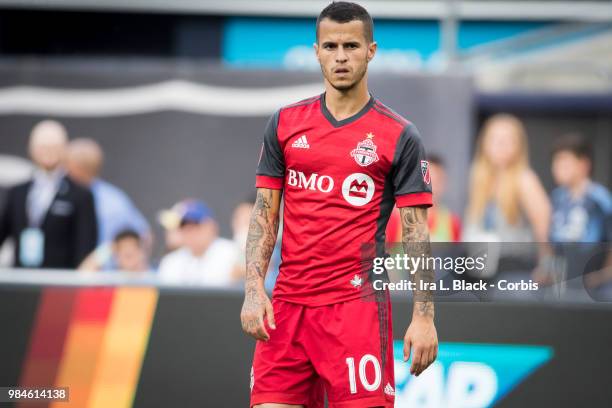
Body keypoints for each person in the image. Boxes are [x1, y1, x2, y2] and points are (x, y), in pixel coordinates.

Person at [240, 3, 437, 407]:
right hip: (288, 308)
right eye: (330, 46)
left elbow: (416, 231)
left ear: (371, 50)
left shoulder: (399, 134)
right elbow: (264, 214)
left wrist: (424, 315)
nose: (341, 56)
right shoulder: (285, 123)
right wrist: (253, 288)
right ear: (316, 51)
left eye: (351, 45)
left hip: (355, 311)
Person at [0, 120, 98, 269]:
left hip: (60, 284)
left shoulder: (80, 195)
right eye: (43, 147)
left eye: (54, 147)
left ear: (64, 149)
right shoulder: (17, 192)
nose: (48, 152)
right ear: (31, 148)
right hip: (21, 282)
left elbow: (85, 248)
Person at [548, 134, 612, 292]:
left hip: (593, 282)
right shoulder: (557, 198)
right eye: (555, 162)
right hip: (561, 280)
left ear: (584, 164)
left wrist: (602, 276)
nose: (557, 167)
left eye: (564, 161)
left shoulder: (600, 200)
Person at [66, 138, 150, 247]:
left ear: (78, 169)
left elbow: (143, 235)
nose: (64, 170)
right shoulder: (115, 197)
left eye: (66, 165)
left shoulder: (112, 201)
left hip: (104, 263)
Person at [158, 199, 237, 286]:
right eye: (183, 227)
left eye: (194, 225)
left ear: (210, 226)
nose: (189, 232)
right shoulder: (171, 262)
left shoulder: (233, 253)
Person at [387, 154, 461, 243]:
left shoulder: (452, 223)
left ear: (444, 183)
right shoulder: (396, 220)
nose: (431, 188)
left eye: (437, 181)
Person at [79, 229, 150, 273]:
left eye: (133, 254)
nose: (132, 262)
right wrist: (107, 249)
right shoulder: (111, 280)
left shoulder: (153, 279)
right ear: (117, 256)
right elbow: (84, 274)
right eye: (127, 256)